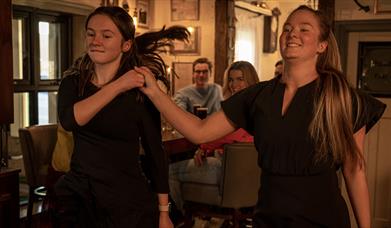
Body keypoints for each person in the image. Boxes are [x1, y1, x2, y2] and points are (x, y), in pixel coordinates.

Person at [136, 5, 387, 227]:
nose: (292, 33)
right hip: (268, 219)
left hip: (322, 220)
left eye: (304, 29)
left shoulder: (342, 98)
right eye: (287, 28)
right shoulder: (257, 96)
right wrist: (157, 94)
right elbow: (199, 131)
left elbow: (354, 170)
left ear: (322, 45)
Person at [55, 6, 189, 228]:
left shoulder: (140, 93)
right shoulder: (72, 83)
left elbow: (155, 151)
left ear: (126, 45)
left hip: (126, 199)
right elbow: (70, 120)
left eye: (106, 35)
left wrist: (164, 212)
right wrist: (119, 85)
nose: (96, 40)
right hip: (80, 195)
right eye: (91, 33)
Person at [169, 61, 259, 215]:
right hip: (251, 180)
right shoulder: (258, 103)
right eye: (231, 80)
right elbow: (233, 138)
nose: (234, 84)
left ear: (251, 80)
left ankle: (178, 217)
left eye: (240, 79)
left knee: (169, 171)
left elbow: (227, 135)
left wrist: (204, 147)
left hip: (229, 173)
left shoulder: (244, 107)